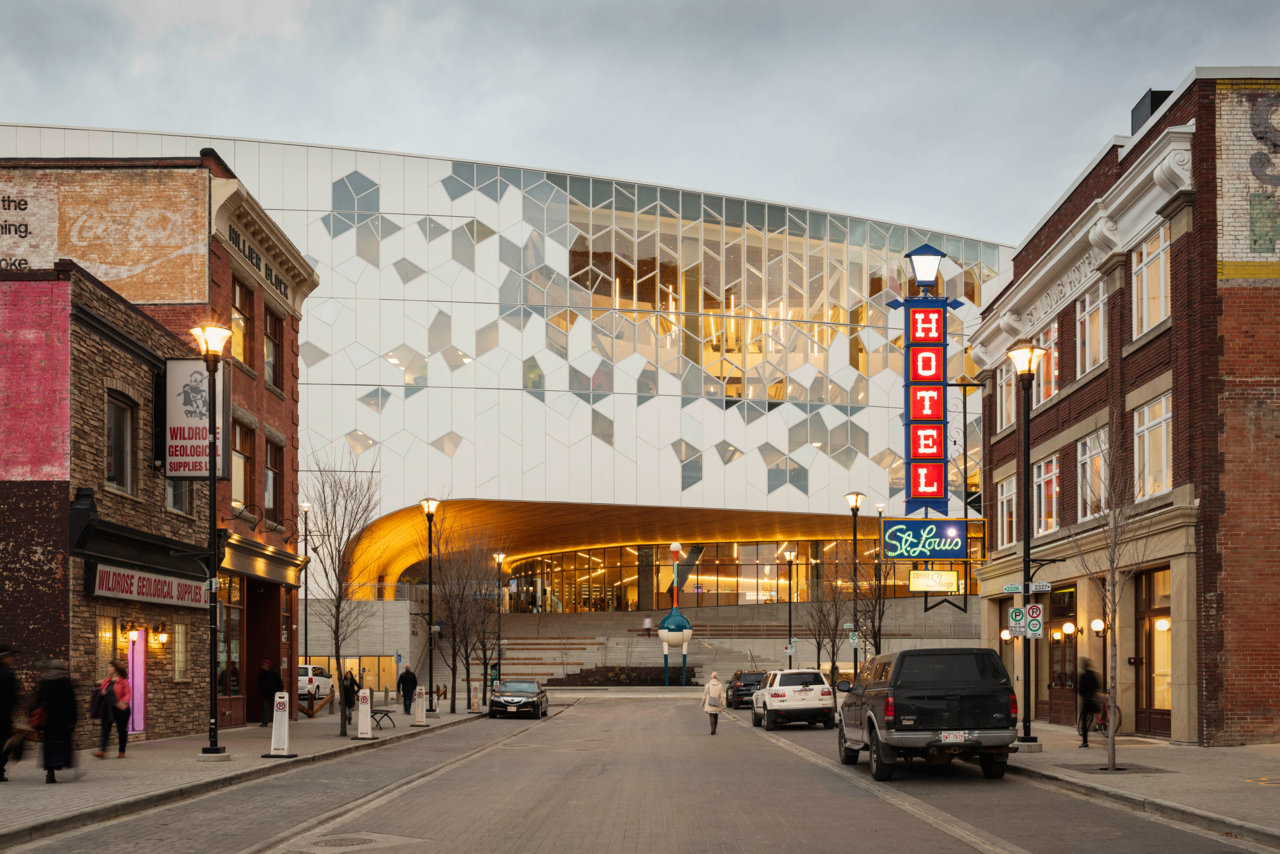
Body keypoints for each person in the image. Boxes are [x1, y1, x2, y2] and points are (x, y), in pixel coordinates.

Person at [33, 659, 77, 783]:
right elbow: (71, 703)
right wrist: (73, 720)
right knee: (61, 743)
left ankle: (50, 772)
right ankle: (59, 763)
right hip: (62, 720)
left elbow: (38, 701)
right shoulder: (65, 681)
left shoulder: (45, 681)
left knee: (49, 744)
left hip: (48, 720)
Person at [94, 660, 131, 758]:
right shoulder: (106, 680)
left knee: (121, 730)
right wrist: (102, 693)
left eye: (110, 667)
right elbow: (102, 690)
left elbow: (127, 694)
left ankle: (121, 751)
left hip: (121, 709)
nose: (108, 669)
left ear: (116, 669)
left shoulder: (123, 681)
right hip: (108, 708)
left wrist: (122, 704)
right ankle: (102, 751)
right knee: (105, 729)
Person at [0, 644, 19, 782]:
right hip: (4, 715)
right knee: (6, 743)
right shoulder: (7, 674)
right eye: (9, 657)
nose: (11, 659)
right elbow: (13, 695)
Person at [1077, 658, 1101, 748]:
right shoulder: (1094, 674)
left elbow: (1080, 690)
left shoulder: (1083, 675)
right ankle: (1098, 724)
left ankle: (1085, 742)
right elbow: (1098, 686)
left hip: (1086, 701)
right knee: (1093, 714)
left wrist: (1082, 694)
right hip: (1093, 700)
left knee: (1084, 721)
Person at [257, 659, 284, 726]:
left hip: (274, 693)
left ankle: (277, 721)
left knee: (277, 708)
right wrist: (261, 690)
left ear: (267, 665)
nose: (263, 666)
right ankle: (265, 722)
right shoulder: (262, 673)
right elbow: (259, 683)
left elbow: (279, 682)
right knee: (265, 708)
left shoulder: (273, 672)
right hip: (266, 693)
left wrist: (280, 690)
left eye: (264, 665)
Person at [701, 671, 727, 735]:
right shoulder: (720, 685)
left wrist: (702, 703)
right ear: (717, 678)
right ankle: (714, 729)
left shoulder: (708, 685)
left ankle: (712, 729)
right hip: (717, 703)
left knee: (711, 716)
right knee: (716, 716)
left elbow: (704, 695)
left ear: (711, 677)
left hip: (709, 702)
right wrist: (724, 704)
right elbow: (722, 696)